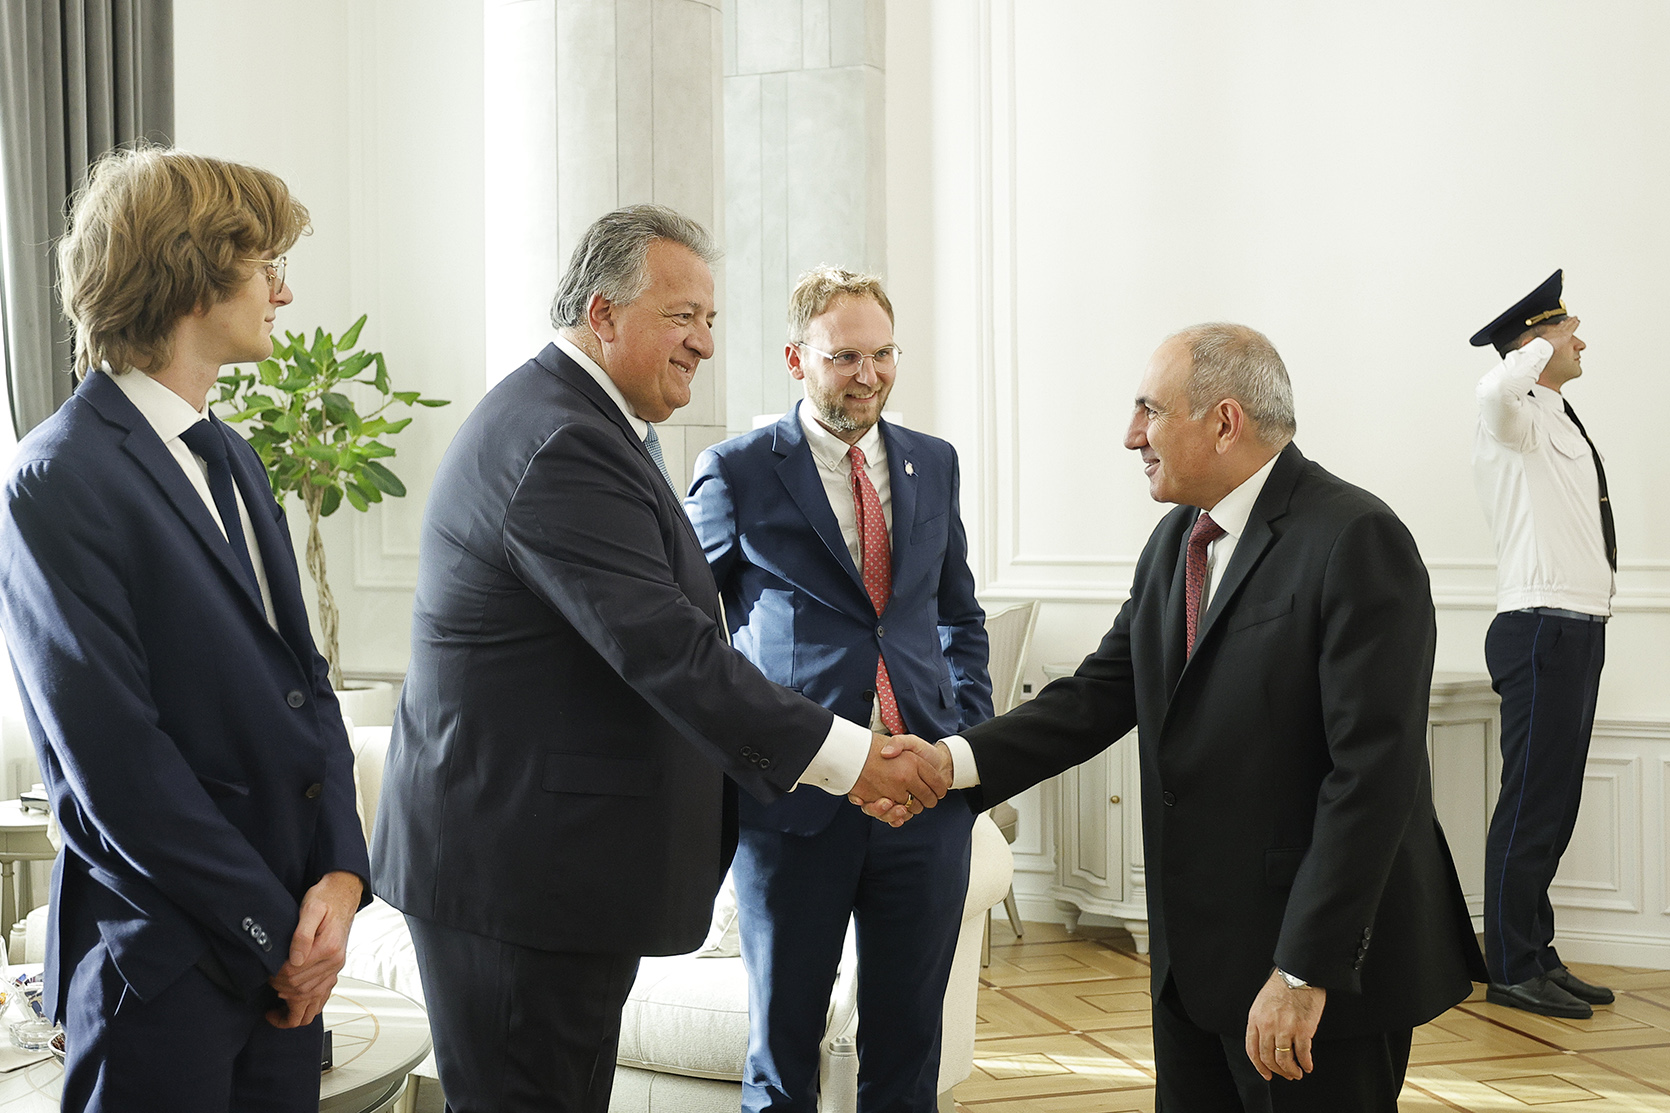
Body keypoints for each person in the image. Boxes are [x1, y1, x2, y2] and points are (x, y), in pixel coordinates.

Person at [371, 207, 950, 1113]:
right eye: (684, 316)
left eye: (709, 319)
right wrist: (852, 756)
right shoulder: (563, 440)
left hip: (546, 877)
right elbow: (673, 650)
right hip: (522, 884)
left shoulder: (580, 422)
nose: (706, 344)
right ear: (602, 314)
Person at [890, 324, 1485, 1111]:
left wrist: (1302, 969)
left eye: (1149, 410)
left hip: (1311, 976)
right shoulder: (1177, 539)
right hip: (1193, 970)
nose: (1131, 435)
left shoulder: (1355, 537)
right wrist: (951, 763)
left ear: (1224, 421)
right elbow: (1098, 693)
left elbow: (1373, 778)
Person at [0, 146, 369, 1112]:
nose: (284, 291)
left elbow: (306, 682)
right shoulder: (56, 477)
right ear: (193, 273)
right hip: (160, 972)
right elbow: (118, 767)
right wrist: (272, 935)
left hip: (286, 971)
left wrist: (339, 877)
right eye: (266, 264)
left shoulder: (236, 456)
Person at [685, 267, 991, 1112]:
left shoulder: (934, 462)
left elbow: (959, 616)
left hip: (925, 800)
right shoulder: (737, 470)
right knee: (783, 1057)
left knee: (908, 1053)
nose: (870, 374)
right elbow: (684, 633)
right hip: (794, 803)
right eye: (845, 356)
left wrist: (966, 748)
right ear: (797, 359)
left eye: (883, 354)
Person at [1470, 270, 1616, 1019]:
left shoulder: (1555, 414)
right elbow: (1496, 387)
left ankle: (1537, 953)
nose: (1580, 341)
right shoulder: (1512, 412)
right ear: (1531, 343)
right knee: (1530, 805)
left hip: (1578, 626)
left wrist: (1548, 339)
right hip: (1539, 628)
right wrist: (1535, 343)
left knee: (1553, 808)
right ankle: (1510, 966)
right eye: (1568, 331)